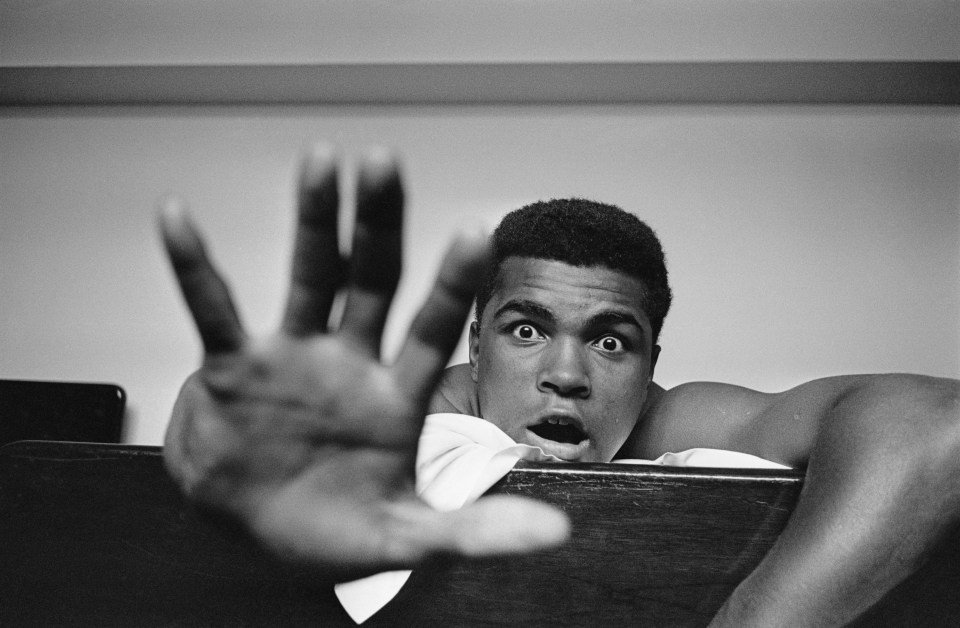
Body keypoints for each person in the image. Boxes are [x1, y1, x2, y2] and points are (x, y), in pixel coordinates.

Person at [160, 144, 960, 626]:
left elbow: (933, 423)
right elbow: (218, 417)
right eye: (527, 330)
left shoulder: (664, 417)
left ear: (650, 365)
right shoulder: (400, 414)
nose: (569, 376)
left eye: (612, 342)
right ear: (476, 339)